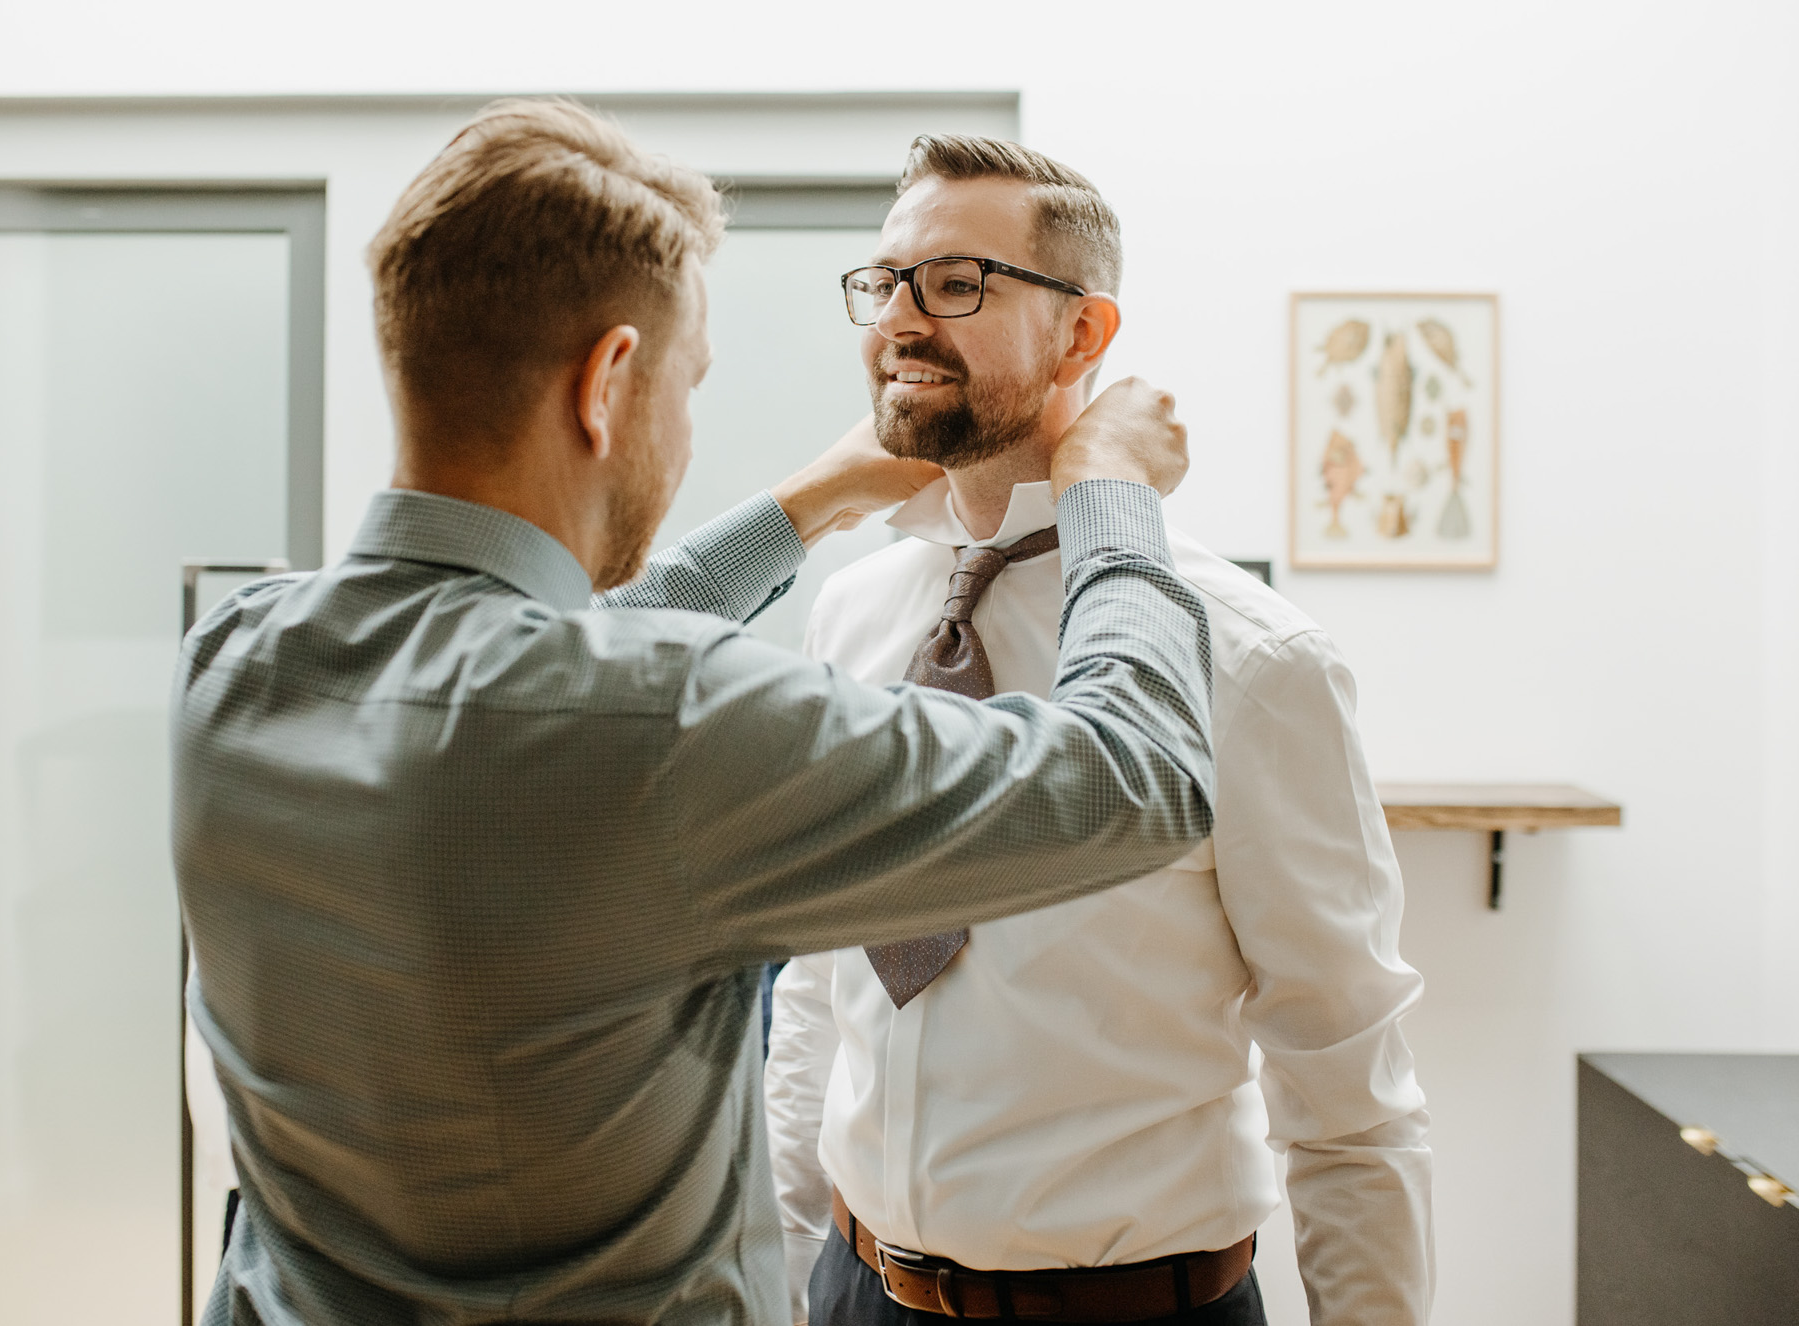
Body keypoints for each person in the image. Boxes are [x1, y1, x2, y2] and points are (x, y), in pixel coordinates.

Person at [172, 100, 1221, 1326]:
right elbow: (1131, 778)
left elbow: (538, 659)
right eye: (688, 384)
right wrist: (1108, 495)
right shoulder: (665, 725)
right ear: (609, 381)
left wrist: (808, 502)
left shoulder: (235, 662)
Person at [765, 137, 1432, 1326]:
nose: (901, 320)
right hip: (851, 1289)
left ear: (1083, 334)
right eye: (884, 282)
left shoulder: (1251, 655)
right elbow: (820, 986)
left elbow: (1349, 1082)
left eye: (956, 281)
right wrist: (783, 1266)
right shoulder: (852, 610)